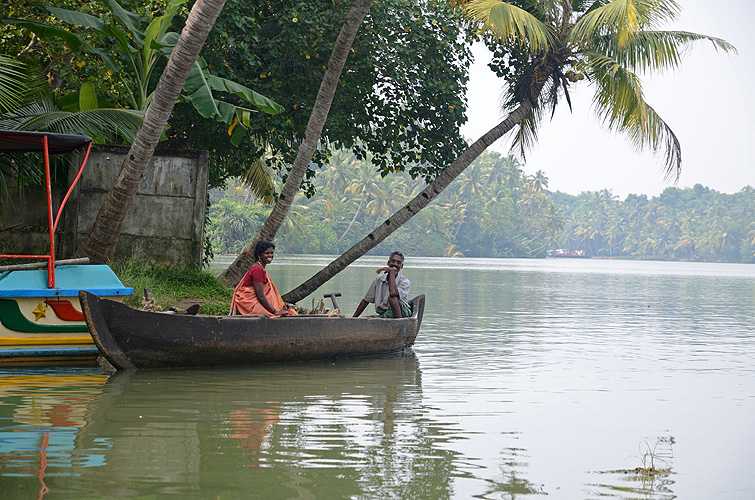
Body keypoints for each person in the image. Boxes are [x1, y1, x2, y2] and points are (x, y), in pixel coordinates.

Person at [231, 241, 297, 317]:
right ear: (259, 255)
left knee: (288, 311)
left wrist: (281, 304)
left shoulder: (260, 268)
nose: (270, 255)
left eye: (272, 253)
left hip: (256, 303)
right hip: (251, 305)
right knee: (287, 314)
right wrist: (275, 312)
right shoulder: (257, 270)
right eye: (266, 253)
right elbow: (260, 296)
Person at [353, 251, 411, 318]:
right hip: (385, 314)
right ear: (388, 263)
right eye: (393, 261)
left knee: (393, 299)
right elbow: (366, 301)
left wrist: (391, 272)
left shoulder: (404, 281)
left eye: (398, 262)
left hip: (402, 313)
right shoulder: (379, 279)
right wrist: (354, 318)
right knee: (365, 319)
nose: (395, 264)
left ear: (401, 266)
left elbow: (393, 294)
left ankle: (398, 323)